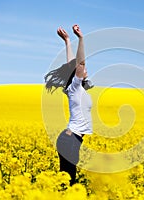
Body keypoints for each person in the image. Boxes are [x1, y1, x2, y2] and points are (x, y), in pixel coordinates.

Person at [44, 24, 93, 186]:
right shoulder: (74, 87)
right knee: (68, 183)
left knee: (66, 182)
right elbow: (80, 64)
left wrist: (67, 41)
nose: (86, 70)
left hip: (72, 140)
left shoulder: (77, 89)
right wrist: (81, 39)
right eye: (82, 70)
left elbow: (73, 64)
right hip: (70, 139)